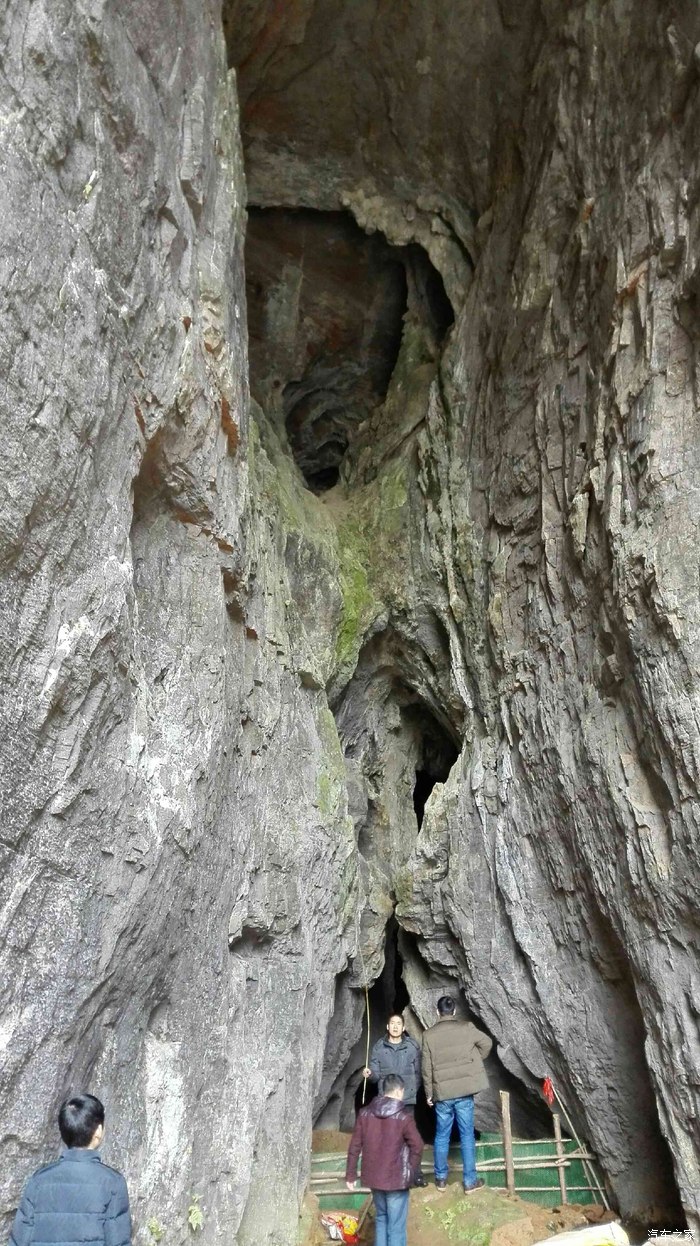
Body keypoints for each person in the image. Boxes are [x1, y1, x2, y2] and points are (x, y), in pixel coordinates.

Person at [10, 1094, 132, 1246]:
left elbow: (19, 1241)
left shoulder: (38, 1181)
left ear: (63, 1131)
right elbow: (118, 1242)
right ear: (98, 1131)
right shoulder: (113, 1183)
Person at [422, 995, 492, 1194]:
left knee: (441, 1136)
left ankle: (441, 1180)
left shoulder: (428, 1035)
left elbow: (426, 1068)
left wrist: (429, 1093)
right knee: (467, 1136)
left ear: (438, 1012)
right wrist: (473, 1061)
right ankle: (470, 1182)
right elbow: (486, 1044)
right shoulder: (467, 1029)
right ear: (454, 1012)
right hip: (463, 1092)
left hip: (442, 1094)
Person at [346, 1073, 423, 1246]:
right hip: (397, 1180)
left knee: (381, 1218)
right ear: (399, 1091)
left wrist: (350, 1174)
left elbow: (355, 1146)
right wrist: (410, 1169)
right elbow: (417, 1145)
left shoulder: (365, 1114)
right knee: (396, 1227)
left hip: (374, 1179)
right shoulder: (404, 1117)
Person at [363, 1014, 422, 1111]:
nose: (395, 1027)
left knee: (407, 1125)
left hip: (406, 1100)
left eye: (398, 1024)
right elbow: (375, 1076)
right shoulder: (379, 1048)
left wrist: (411, 1090)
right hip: (386, 1099)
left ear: (403, 1028)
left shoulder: (412, 1047)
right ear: (387, 1026)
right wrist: (370, 1074)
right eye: (392, 1023)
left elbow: (418, 1073)